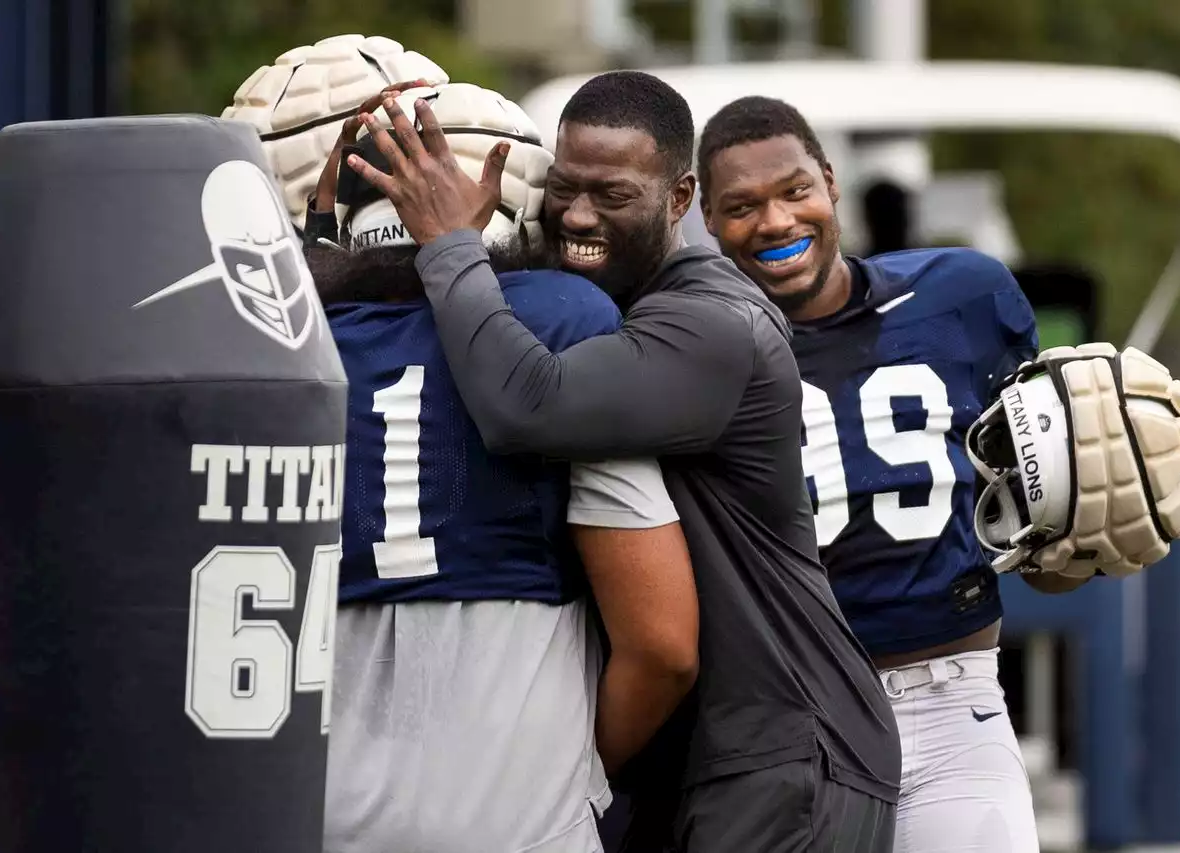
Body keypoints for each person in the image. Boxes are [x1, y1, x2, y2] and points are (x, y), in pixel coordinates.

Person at [346, 71, 901, 852]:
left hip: (786, 754)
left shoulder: (712, 321)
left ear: (679, 200)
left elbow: (525, 405)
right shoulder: (622, 306)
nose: (577, 214)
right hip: (717, 756)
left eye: (612, 195)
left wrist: (449, 247)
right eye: (564, 188)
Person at [312, 80, 700, 853]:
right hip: (518, 815)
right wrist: (575, 774)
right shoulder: (564, 317)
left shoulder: (286, 343)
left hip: (320, 814)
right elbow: (664, 646)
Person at [695, 95, 1076, 853]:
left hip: (949, 705)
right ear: (706, 218)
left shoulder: (965, 296)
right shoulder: (690, 345)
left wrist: (1081, 534)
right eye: (742, 206)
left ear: (830, 183)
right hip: (786, 728)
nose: (775, 222)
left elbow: (1046, 560)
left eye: (794, 190)